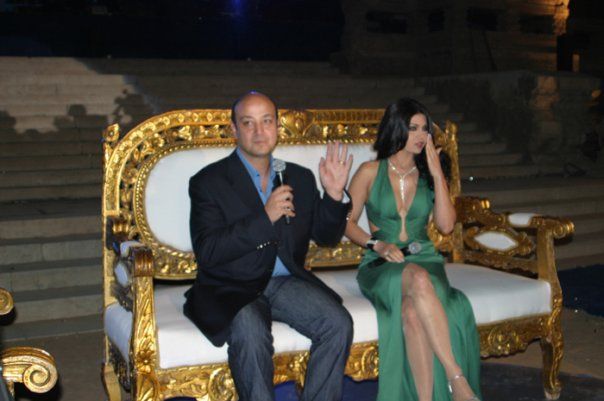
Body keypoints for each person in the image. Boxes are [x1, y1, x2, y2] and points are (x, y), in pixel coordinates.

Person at [183, 91, 354, 401]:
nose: (259, 131)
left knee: (337, 323)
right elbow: (208, 252)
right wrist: (264, 217)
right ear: (234, 129)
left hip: (284, 283)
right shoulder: (209, 182)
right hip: (231, 285)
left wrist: (333, 195)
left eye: (267, 121)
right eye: (248, 123)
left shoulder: (298, 178)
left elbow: (326, 237)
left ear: (277, 127)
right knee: (251, 333)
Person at [344, 98, 481, 401]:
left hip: (426, 259)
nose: (421, 135)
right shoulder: (370, 171)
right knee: (417, 279)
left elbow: (446, 225)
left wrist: (437, 173)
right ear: (396, 128)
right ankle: (456, 378)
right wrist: (377, 244)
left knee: (411, 311)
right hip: (381, 263)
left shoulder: (429, 174)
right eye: (413, 128)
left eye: (425, 129)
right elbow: (347, 222)